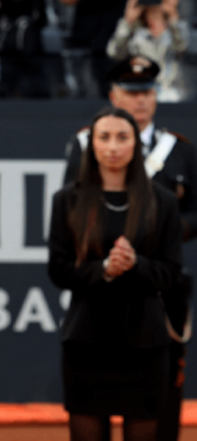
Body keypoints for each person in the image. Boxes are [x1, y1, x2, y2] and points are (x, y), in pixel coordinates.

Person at [61, 56, 197, 441]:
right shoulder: (86, 143)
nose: (140, 101)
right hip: (98, 288)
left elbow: (194, 211)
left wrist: (158, 232)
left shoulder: (180, 149)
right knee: (90, 409)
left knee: (161, 392)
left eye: (147, 92)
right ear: (113, 95)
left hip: (159, 288)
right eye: (131, 93)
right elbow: (74, 208)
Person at [107, 0, 189, 103]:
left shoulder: (178, 26)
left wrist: (173, 17)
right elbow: (115, 53)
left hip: (173, 93)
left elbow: (182, 49)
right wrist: (128, 22)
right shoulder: (132, 27)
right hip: (139, 89)